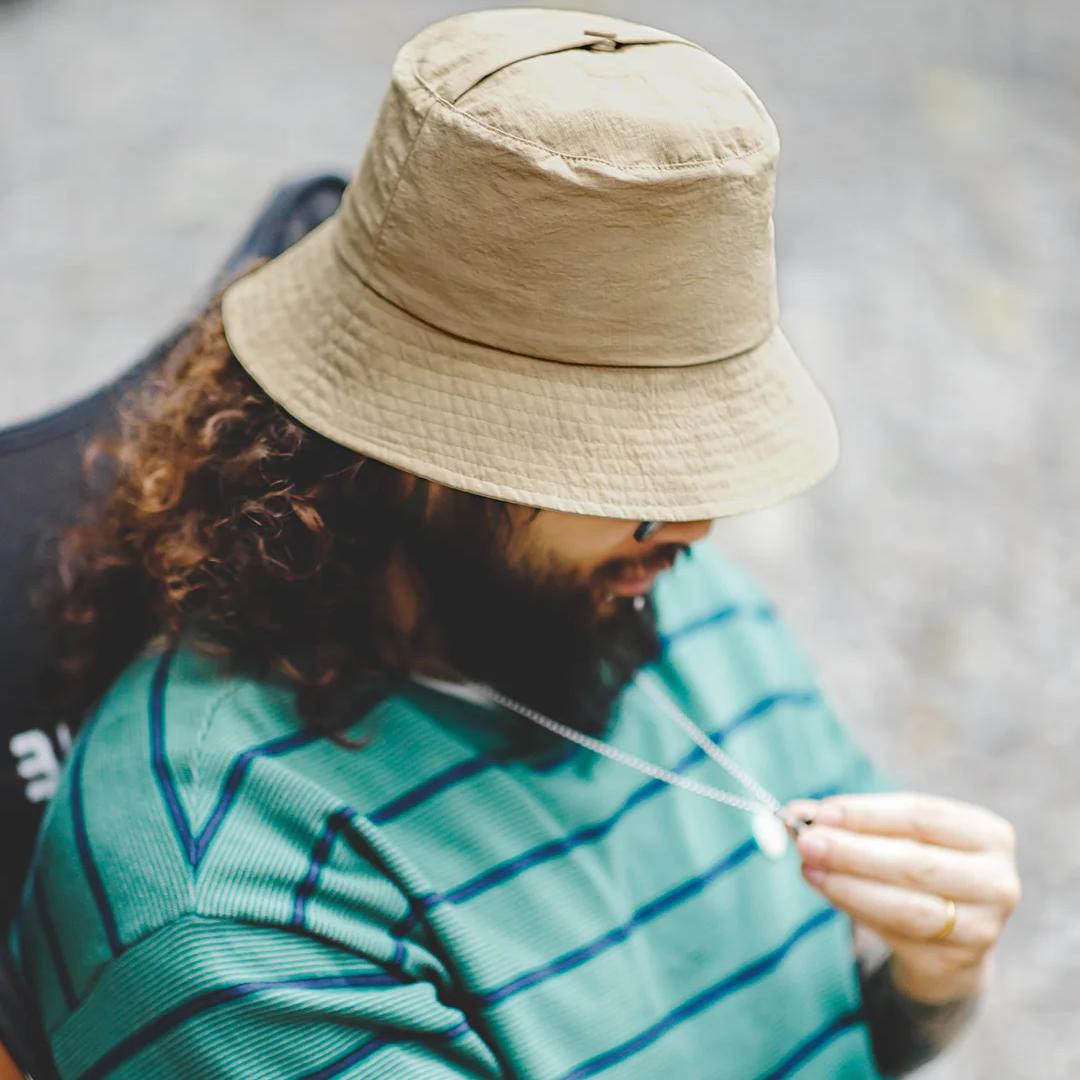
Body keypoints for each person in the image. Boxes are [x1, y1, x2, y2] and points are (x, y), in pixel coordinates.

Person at [9, 9, 1020, 1078]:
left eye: (702, 456)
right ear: (407, 443)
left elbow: (825, 1031)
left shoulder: (652, 594)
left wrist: (930, 980)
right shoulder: (228, 902)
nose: (696, 525)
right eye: (620, 465)